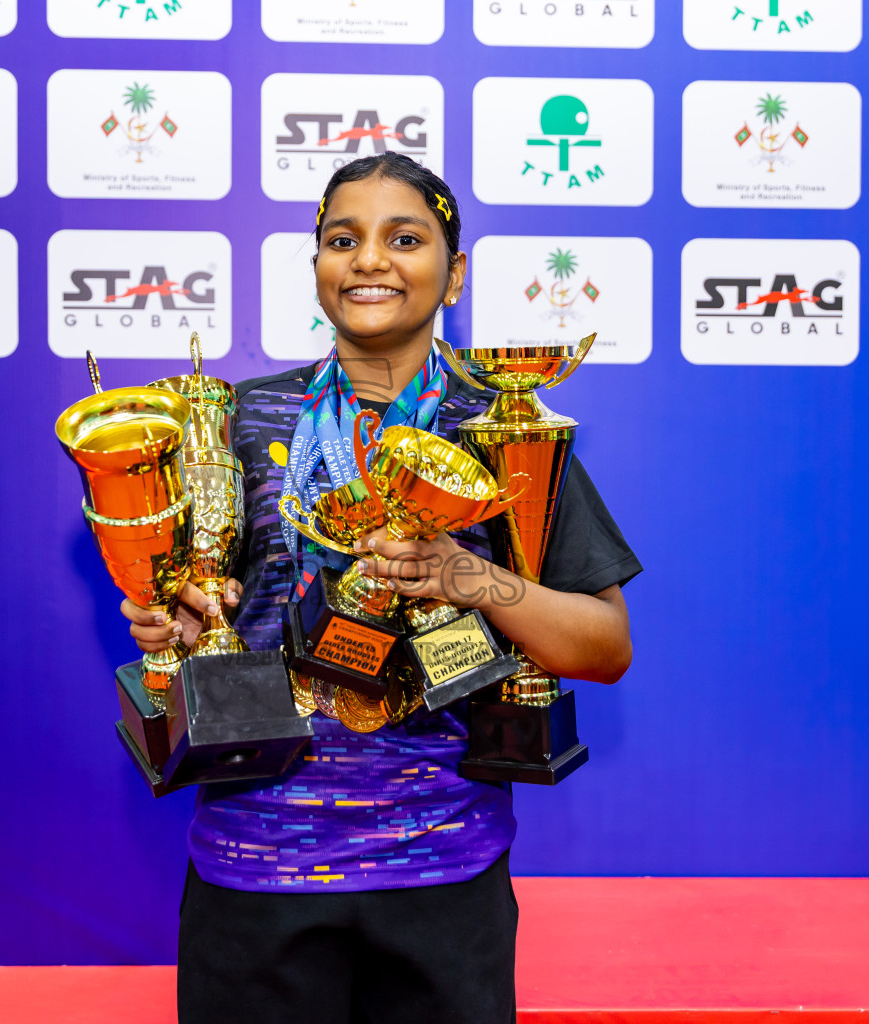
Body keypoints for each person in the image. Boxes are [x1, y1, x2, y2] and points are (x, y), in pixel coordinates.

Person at [120, 152, 641, 1024]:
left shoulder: (505, 423)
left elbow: (605, 645)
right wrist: (174, 620)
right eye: (341, 238)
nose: (369, 260)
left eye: (405, 238)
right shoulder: (239, 418)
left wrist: (465, 574)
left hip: (442, 868)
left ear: (454, 271)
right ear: (316, 263)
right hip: (257, 865)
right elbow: (202, 609)